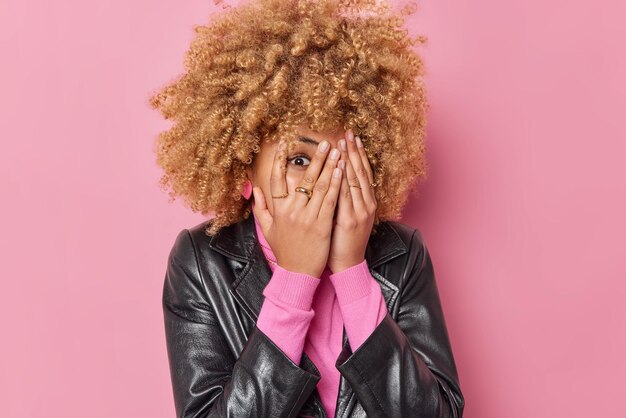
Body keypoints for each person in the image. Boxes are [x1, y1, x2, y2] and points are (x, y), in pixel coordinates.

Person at [149, 0, 465, 416]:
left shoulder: (402, 255)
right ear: (245, 169)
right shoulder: (200, 263)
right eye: (300, 160)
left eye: (344, 159)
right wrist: (294, 281)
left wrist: (353, 274)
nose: (327, 181)